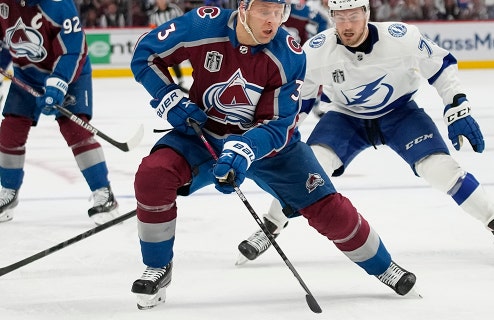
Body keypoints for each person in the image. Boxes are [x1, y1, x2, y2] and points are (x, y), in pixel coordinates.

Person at [129, 0, 417, 310]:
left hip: (271, 149)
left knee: (327, 207)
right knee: (153, 175)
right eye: (265, 11)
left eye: (279, 13)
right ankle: (158, 267)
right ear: (243, 8)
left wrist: (242, 150)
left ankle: (384, 266)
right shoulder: (203, 24)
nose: (273, 21)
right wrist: (168, 98)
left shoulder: (289, 53)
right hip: (203, 135)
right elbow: (146, 54)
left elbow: (277, 125)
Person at [235, 0, 494, 266]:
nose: (347, 25)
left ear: (367, 13)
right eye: (339, 17)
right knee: (310, 169)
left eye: (353, 16)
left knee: (439, 169)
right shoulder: (316, 50)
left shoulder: (402, 38)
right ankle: (270, 227)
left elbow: (441, 65)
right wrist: (277, 131)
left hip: (400, 114)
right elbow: (302, 99)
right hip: (345, 118)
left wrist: (457, 105)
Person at [0, 0, 119, 225]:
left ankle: (104, 192)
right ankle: (8, 191)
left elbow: (74, 49)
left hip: (70, 73)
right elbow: (4, 43)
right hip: (26, 74)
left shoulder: (59, 5)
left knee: (76, 130)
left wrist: (59, 83)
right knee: (10, 129)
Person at [147, 0, 187, 91]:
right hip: (167, 42)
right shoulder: (154, 15)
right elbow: (153, 30)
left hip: (180, 38)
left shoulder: (174, 9)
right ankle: (180, 81)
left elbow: (184, 20)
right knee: (172, 60)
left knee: (191, 56)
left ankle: (199, 77)